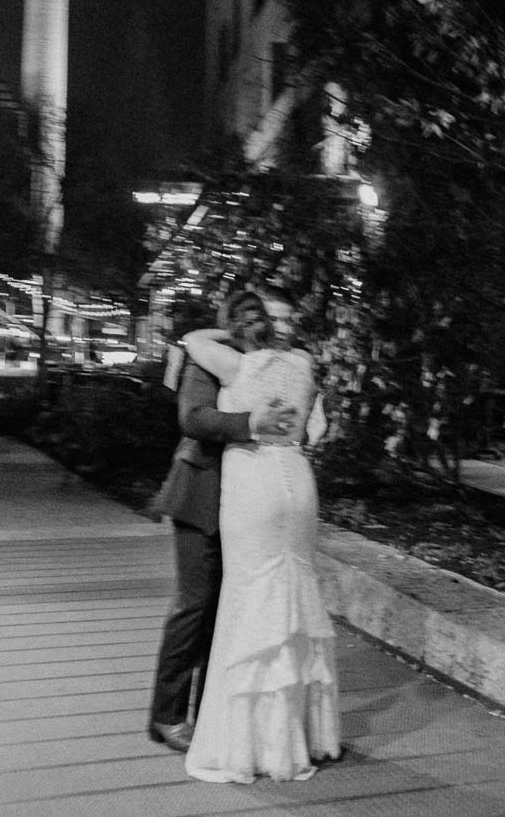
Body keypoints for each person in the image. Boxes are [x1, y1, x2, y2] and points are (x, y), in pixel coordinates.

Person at [180, 286, 341, 783]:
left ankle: (252, 743)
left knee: (250, 600)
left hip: (253, 484)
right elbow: (317, 431)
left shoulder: (237, 366)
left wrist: (227, 332)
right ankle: (299, 737)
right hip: (297, 482)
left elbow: (191, 340)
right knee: (294, 598)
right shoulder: (304, 365)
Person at [147, 292, 301, 754]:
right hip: (201, 495)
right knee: (194, 607)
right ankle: (166, 715)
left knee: (225, 611)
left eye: (278, 317)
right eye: (262, 316)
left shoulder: (275, 362)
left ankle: (207, 711)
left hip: (248, 503)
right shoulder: (209, 359)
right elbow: (193, 419)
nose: (271, 324)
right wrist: (253, 421)